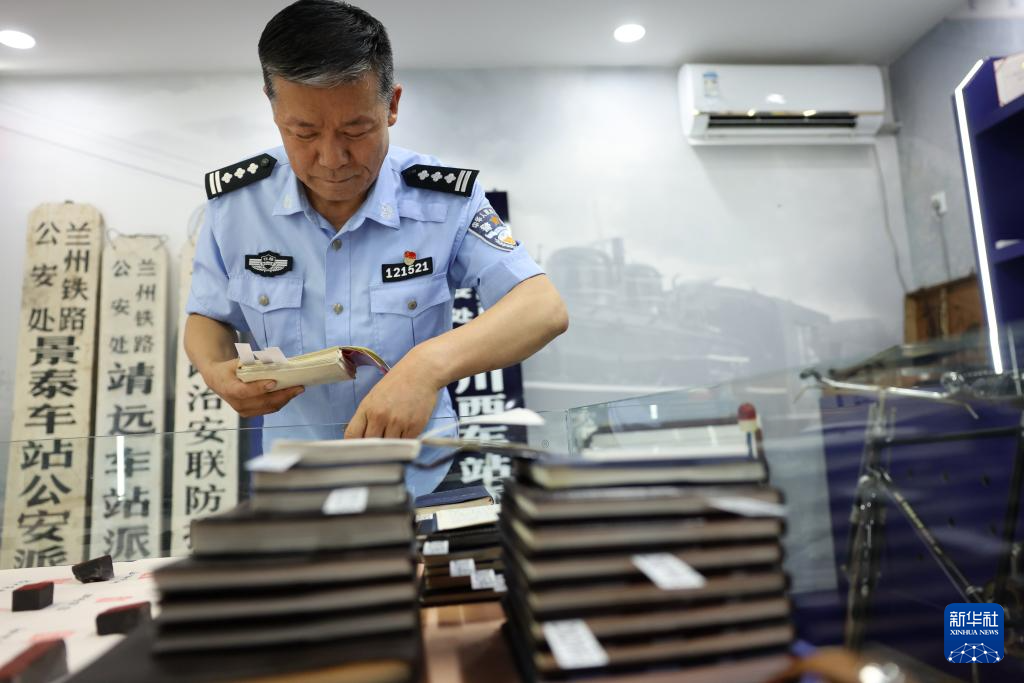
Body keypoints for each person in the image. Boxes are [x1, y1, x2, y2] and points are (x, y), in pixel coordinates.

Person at [183, 0, 568, 463]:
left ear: (392, 105)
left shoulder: (443, 200)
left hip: (420, 472)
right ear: (273, 108)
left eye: (355, 130)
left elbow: (542, 308)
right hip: (295, 475)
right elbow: (208, 315)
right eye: (304, 133)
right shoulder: (236, 207)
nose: (332, 158)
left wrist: (425, 368)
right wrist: (215, 369)